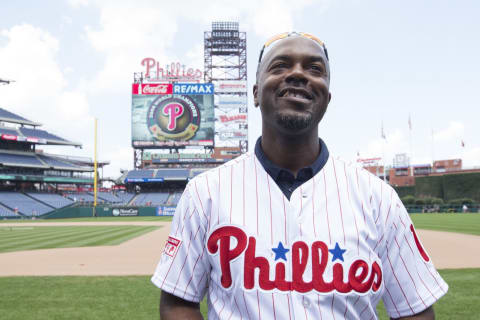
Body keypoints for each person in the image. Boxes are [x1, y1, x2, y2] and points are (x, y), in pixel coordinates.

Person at [152, 32, 448, 319]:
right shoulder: (205, 192)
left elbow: (415, 309)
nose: (298, 74)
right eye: (280, 65)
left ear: (326, 98)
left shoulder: (379, 198)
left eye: (314, 68)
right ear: (256, 93)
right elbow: (179, 302)